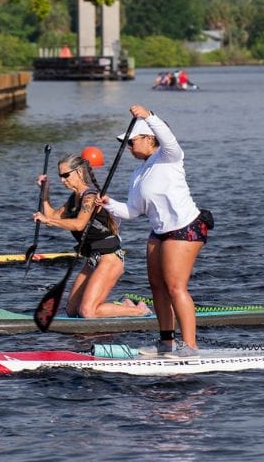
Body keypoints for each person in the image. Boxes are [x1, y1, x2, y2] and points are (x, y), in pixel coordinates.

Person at [100, 105, 210, 358]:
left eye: (131, 141)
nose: (128, 147)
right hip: (159, 232)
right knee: (157, 287)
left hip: (184, 228)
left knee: (175, 287)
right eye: (126, 143)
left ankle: (190, 346)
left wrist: (148, 116)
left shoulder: (169, 157)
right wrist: (108, 203)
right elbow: (132, 211)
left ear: (150, 139)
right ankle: (166, 343)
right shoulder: (139, 173)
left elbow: (169, 138)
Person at [32, 152, 150, 319]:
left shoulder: (90, 196)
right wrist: (45, 194)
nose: (62, 180)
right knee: (72, 311)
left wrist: (47, 221)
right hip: (93, 260)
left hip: (109, 258)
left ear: (79, 172)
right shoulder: (74, 198)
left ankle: (140, 310)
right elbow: (52, 216)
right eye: (60, 176)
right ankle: (125, 305)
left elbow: (79, 223)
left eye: (66, 175)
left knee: (87, 312)